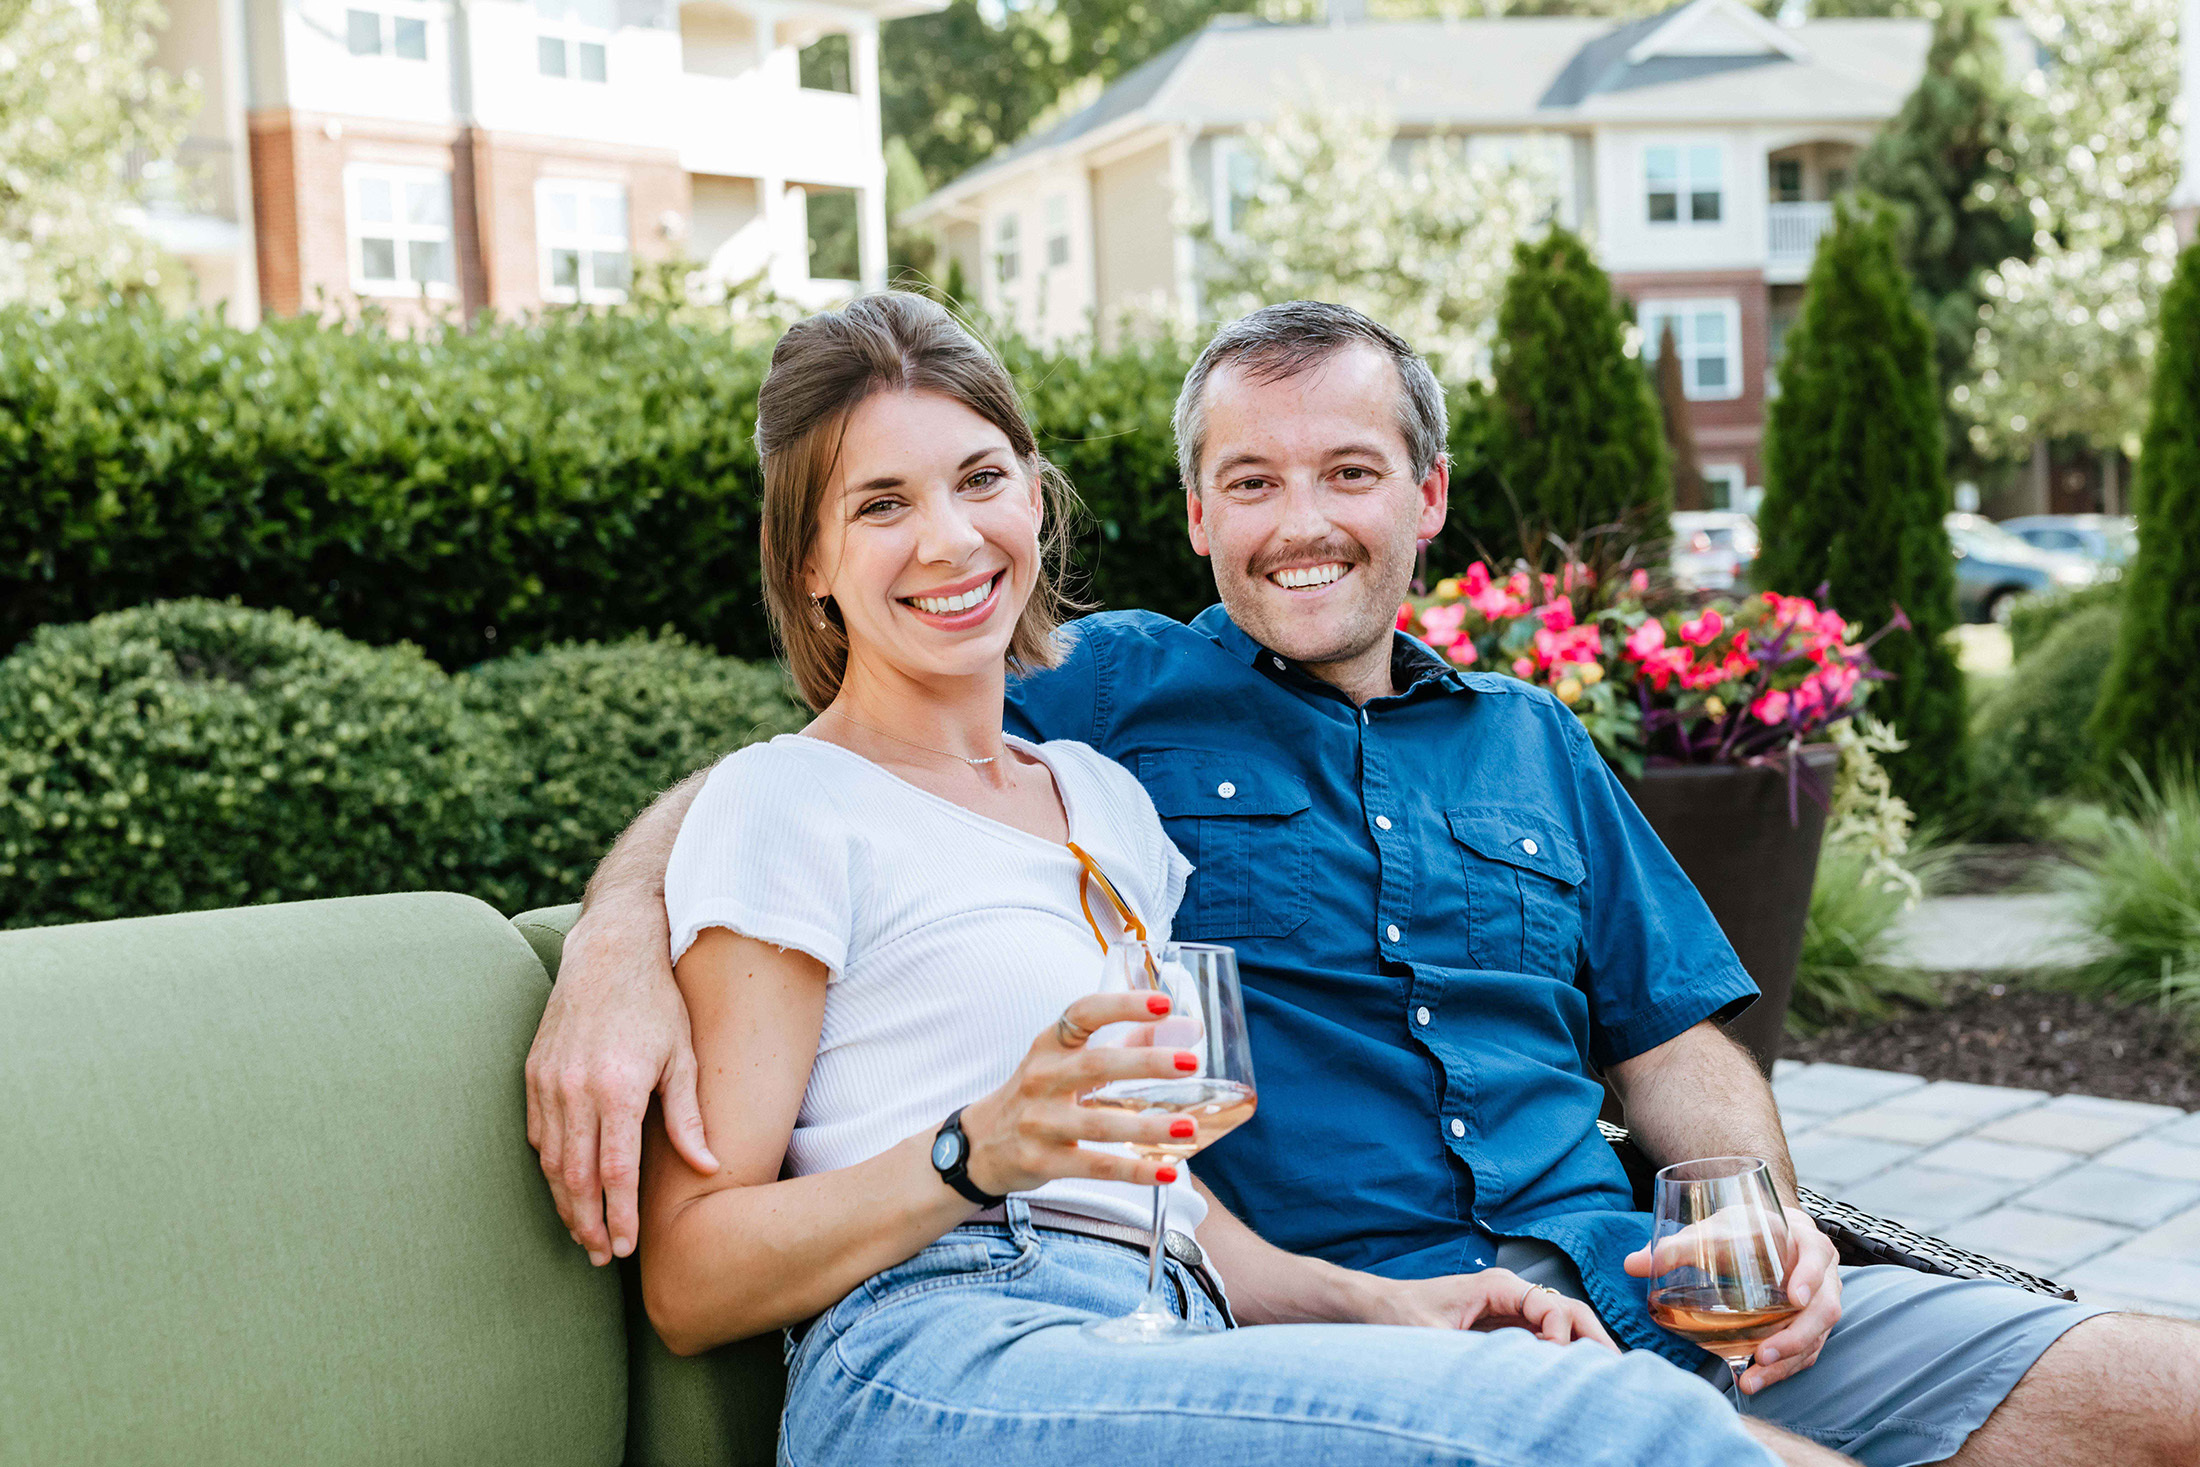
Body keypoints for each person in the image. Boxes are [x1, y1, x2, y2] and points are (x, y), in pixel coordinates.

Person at [531, 297, 2200, 1467]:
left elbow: (1678, 1034)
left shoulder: (1264, 778)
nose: (1299, 521)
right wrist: (614, 939)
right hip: (1258, 1327)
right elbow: (803, 778)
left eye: (1347, 472)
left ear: (1428, 498)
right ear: (1194, 515)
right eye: (1250, 481)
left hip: (1607, 1277)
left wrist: (1756, 1212)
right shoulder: (1114, 699)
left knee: (2157, 1386)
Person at [628, 289, 1791, 1465]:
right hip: (946, 1342)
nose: (947, 538)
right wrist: (969, 1150)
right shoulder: (785, 800)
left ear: (1034, 497)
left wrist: (1384, 1309)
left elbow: (1170, 1206)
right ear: (809, 558)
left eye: (980, 480)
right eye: (881, 504)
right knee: (1624, 1432)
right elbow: (688, 1280)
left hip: (1172, 1324)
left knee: (1639, 1410)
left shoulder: (1105, 804)